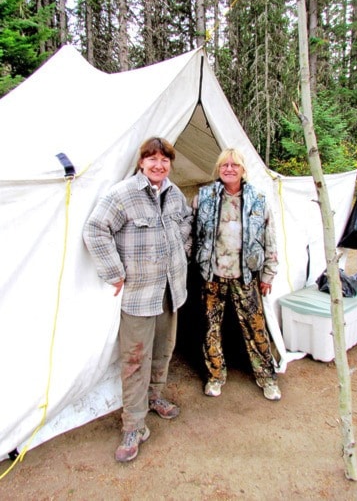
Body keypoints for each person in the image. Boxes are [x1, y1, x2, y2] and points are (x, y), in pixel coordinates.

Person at [83, 137, 192, 463]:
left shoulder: (174, 194)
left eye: (164, 160)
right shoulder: (123, 194)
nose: (159, 165)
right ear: (141, 162)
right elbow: (95, 229)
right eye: (152, 159)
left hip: (171, 290)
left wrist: (181, 250)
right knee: (135, 360)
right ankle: (133, 425)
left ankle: (154, 396)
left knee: (164, 350)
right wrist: (114, 272)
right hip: (140, 295)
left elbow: (186, 222)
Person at [193, 148, 281, 400]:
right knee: (211, 328)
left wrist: (268, 274)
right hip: (212, 275)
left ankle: (266, 377)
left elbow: (270, 239)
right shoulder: (204, 197)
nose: (229, 169)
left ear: (243, 170)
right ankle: (215, 376)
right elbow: (192, 234)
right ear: (218, 169)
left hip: (246, 275)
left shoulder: (258, 200)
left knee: (255, 328)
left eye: (235, 165)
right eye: (224, 165)